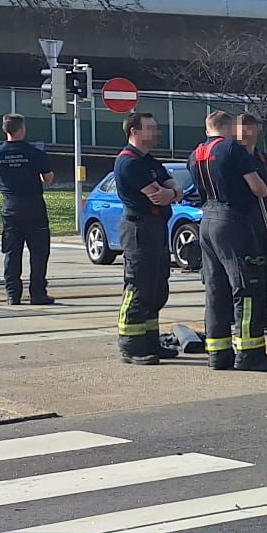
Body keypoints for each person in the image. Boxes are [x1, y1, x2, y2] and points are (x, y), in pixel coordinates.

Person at [197, 114, 267, 373]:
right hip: (234, 221)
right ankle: (249, 353)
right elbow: (258, 189)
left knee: (215, 289)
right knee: (246, 288)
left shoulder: (198, 152)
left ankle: (218, 353)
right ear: (228, 127)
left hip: (208, 220)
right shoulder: (232, 149)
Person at [112, 112, 182, 365]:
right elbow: (157, 195)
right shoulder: (129, 163)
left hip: (156, 227)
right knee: (138, 286)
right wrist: (171, 192)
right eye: (150, 128)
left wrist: (172, 191)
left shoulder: (149, 160)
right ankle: (130, 345)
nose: (156, 132)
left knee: (156, 286)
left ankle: (150, 341)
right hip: (138, 229)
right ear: (134, 131)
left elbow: (174, 187)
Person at [0, 113, 55, 307]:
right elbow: (48, 179)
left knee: (12, 252)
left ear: (4, 129)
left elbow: (0, 177)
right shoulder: (35, 153)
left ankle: (13, 294)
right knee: (39, 253)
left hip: (11, 207)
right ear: (22, 129)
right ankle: (38, 293)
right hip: (34, 207)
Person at [237, 113, 267, 185]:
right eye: (242, 131)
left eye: (248, 130)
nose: (245, 134)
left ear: (257, 132)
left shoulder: (263, 159)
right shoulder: (232, 158)